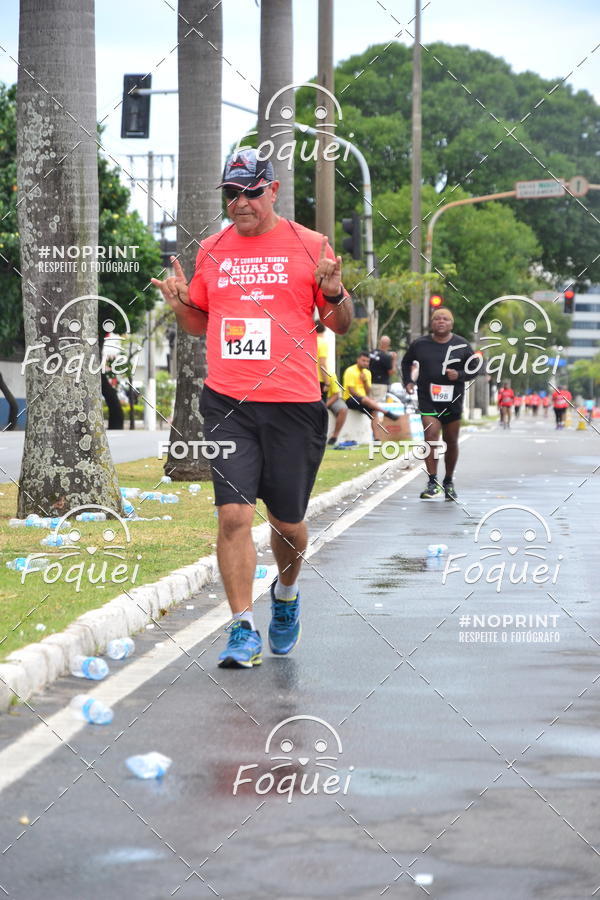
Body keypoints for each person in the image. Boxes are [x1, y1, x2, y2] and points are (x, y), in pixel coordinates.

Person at [151, 149, 353, 668]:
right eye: (231, 193)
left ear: (273, 191)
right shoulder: (213, 250)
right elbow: (200, 323)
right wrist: (179, 303)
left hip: (293, 402)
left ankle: (285, 597)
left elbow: (341, 323)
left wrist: (332, 293)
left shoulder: (310, 246)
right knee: (234, 515)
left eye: (250, 192)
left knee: (288, 525)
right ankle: (242, 627)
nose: (239, 203)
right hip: (228, 402)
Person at [401, 307, 478, 501]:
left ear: (451, 324)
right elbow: (406, 362)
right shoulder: (420, 344)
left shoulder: (461, 345)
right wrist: (408, 381)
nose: (441, 321)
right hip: (428, 399)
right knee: (431, 436)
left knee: (451, 441)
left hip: (453, 400)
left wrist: (459, 375)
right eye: (437, 319)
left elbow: (476, 368)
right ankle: (432, 481)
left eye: (445, 319)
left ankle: (448, 481)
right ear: (431, 323)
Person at [342, 351, 400, 438]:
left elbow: (368, 391)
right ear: (358, 360)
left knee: (374, 411)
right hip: (350, 399)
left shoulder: (367, 373)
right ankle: (386, 412)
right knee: (366, 399)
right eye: (363, 360)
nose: (365, 363)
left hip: (363, 400)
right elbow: (351, 391)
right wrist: (365, 398)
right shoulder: (350, 371)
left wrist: (365, 381)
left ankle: (377, 439)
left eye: (367, 361)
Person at [369, 335, 397, 402]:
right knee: (378, 405)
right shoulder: (386, 357)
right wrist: (394, 360)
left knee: (370, 404)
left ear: (379, 342)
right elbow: (391, 372)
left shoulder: (371, 353)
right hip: (381, 384)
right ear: (388, 345)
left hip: (369, 382)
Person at [324, 371, 348, 446]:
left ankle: (334, 436)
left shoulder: (330, 374)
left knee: (343, 409)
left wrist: (324, 406)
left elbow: (336, 395)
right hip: (315, 398)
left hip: (330, 398)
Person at [315, 322, 329, 402]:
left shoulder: (308, 341)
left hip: (310, 379)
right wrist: (327, 382)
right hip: (320, 380)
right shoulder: (322, 343)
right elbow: (322, 364)